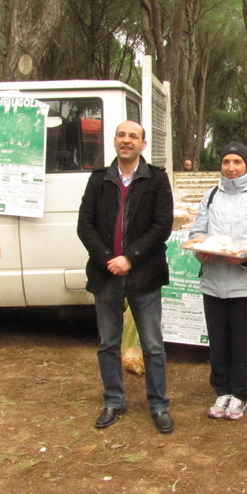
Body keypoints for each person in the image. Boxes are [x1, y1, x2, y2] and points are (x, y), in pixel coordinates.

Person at [77, 120, 175, 433]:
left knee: (153, 345)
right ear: (115, 141)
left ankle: (159, 405)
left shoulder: (156, 179)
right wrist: (109, 260)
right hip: (106, 275)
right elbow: (85, 226)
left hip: (144, 274)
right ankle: (114, 401)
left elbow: (162, 227)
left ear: (143, 144)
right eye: (122, 135)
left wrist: (129, 259)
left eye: (133, 136)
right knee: (108, 343)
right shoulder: (98, 180)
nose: (127, 140)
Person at [189, 142, 247, 420]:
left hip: (246, 284)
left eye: (237, 162)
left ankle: (240, 393)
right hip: (213, 282)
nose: (231, 167)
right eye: (226, 161)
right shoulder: (211, 195)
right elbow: (197, 231)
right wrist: (200, 250)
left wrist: (245, 259)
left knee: (243, 341)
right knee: (218, 341)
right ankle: (222, 391)